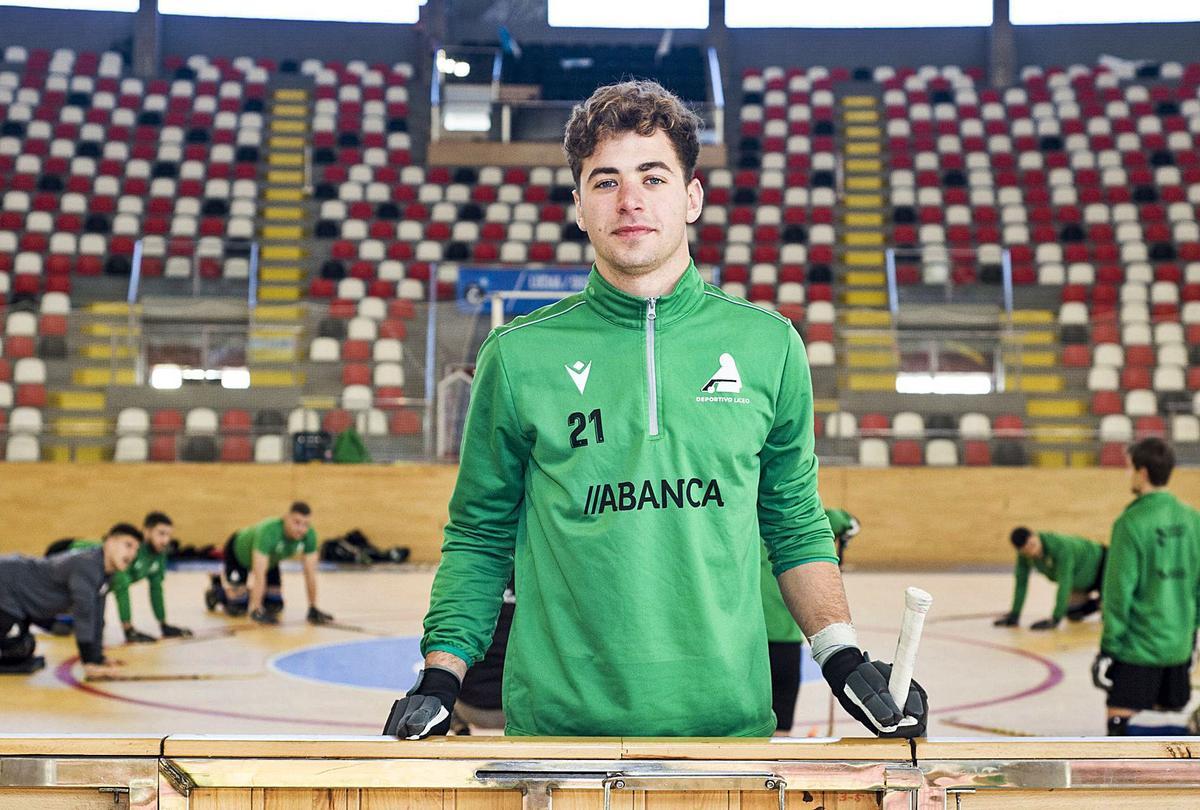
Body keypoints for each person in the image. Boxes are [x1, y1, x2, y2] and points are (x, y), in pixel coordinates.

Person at [383, 80, 927, 740]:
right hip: (559, 737)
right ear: (579, 206)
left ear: (692, 197)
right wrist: (440, 676)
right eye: (605, 181)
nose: (630, 200)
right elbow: (479, 535)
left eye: (653, 177)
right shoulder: (517, 355)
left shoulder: (768, 346)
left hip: (727, 733)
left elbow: (793, 523)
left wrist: (841, 656)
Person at [1092, 438, 1200, 736]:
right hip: (1179, 645)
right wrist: (1191, 632)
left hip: (1140, 647)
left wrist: (1109, 646)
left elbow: (1118, 593)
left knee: (1119, 723)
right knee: (1169, 724)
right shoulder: (1193, 519)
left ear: (1142, 472)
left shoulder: (1130, 522)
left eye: (1130, 469)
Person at [763, 508, 861, 736]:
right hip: (784, 643)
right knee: (780, 732)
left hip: (747, 646)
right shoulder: (789, 523)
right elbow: (848, 522)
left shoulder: (743, 528)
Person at [0, 523, 142, 677]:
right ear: (109, 542)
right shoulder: (87, 566)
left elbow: (97, 617)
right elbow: (84, 614)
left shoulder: (105, 573)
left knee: (20, 650)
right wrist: (88, 663)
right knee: (10, 642)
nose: (132, 554)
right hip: (6, 583)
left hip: (19, 599)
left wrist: (97, 658)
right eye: (128, 545)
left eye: (136, 549)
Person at [45, 512, 193, 643]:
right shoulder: (130, 551)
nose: (165, 540)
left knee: (92, 619)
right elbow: (121, 584)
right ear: (147, 531)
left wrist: (163, 624)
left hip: (86, 575)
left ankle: (63, 619)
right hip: (64, 551)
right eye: (161, 533)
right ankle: (48, 620)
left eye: (168, 535)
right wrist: (128, 629)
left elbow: (156, 590)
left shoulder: (159, 556)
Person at [204, 501, 334, 626]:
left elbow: (310, 574)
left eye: (305, 524)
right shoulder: (269, 531)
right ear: (286, 518)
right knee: (238, 608)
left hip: (270, 562)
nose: (301, 529)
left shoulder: (309, 536)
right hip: (238, 554)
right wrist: (256, 609)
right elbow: (259, 573)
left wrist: (313, 607)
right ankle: (217, 590)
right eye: (297, 522)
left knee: (274, 605)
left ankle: (244, 592)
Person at [993, 527, 1106, 630]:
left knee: (1111, 618)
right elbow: (1021, 584)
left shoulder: (1060, 547)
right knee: (1073, 612)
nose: (1032, 552)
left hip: (1105, 566)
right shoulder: (1024, 556)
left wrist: (1055, 619)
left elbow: (1064, 583)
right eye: (1026, 550)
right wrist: (1015, 615)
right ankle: (1100, 602)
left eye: (1032, 545)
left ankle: (1108, 601)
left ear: (1035, 536)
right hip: (1083, 580)